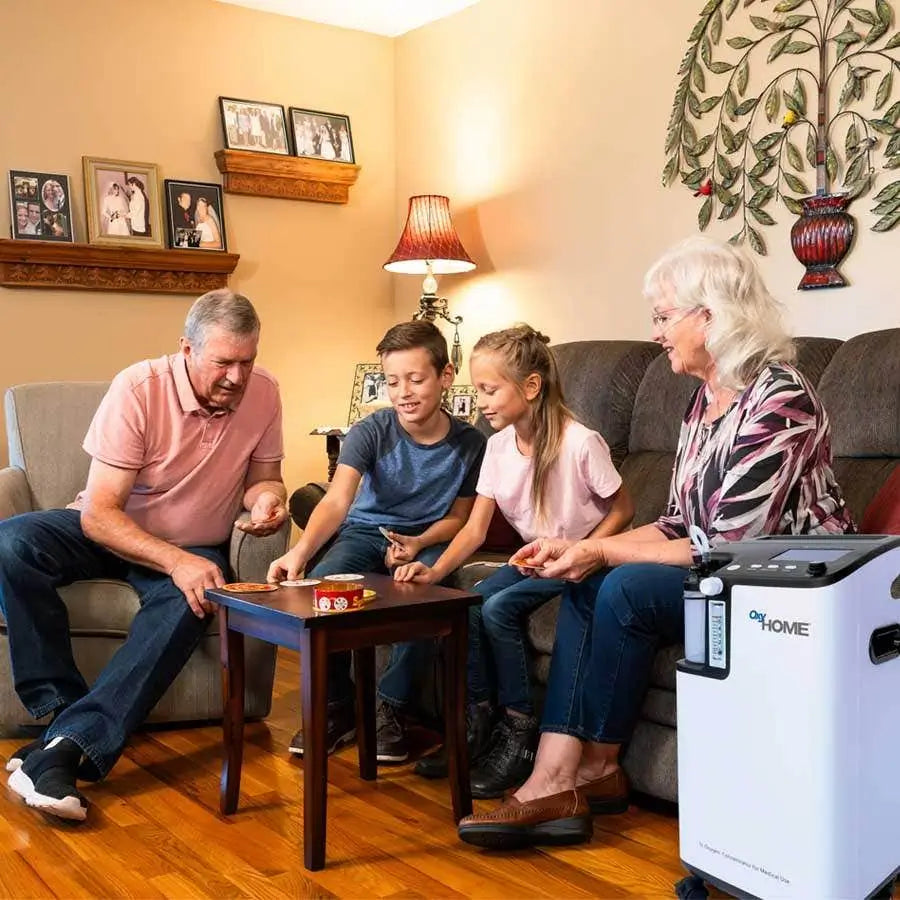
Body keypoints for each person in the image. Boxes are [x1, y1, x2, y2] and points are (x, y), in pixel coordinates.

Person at [457, 236, 856, 849]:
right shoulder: (703, 402)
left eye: (664, 316)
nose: (656, 332)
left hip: (788, 586)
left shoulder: (780, 398)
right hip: (721, 570)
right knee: (589, 574)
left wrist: (599, 549)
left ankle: (589, 768)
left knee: (623, 581)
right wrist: (576, 550)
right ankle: (561, 772)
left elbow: (726, 542)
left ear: (712, 315)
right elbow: (676, 521)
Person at [1, 289, 288, 823]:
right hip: (111, 532)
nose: (237, 376)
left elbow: (263, 478)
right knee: (11, 542)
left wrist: (267, 497)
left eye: (246, 361)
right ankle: (61, 714)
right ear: (186, 348)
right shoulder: (138, 388)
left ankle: (60, 749)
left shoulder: (265, 392)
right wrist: (174, 561)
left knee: (195, 597)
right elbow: (100, 515)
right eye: (223, 362)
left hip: (195, 543)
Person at [395, 325, 634, 796]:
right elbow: (476, 529)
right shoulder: (499, 446)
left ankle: (519, 731)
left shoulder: (580, 442)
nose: (480, 402)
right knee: (463, 603)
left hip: (579, 563)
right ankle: (478, 723)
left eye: (489, 389)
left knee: (498, 609)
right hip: (532, 559)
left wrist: (584, 552)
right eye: (477, 390)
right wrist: (436, 572)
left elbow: (624, 509)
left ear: (530, 387)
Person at [267, 321, 486, 763]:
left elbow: (460, 518)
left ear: (445, 377)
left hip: (428, 537)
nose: (403, 391)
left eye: (416, 379)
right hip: (365, 531)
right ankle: (335, 708)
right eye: (392, 381)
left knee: (423, 596)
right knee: (324, 589)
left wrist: (420, 540)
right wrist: (300, 552)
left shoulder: (471, 444)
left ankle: (392, 711)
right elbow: (336, 501)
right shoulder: (371, 431)